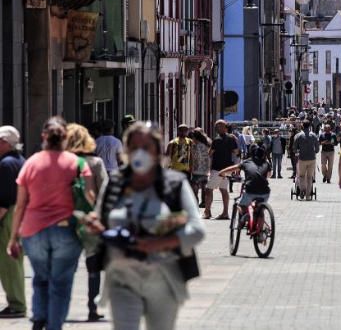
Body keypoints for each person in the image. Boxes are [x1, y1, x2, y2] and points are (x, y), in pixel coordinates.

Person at [85, 121, 205, 330]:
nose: (140, 153)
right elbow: (100, 219)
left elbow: (196, 229)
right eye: (134, 148)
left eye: (146, 147)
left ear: (158, 151)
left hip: (164, 279)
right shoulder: (115, 183)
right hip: (122, 279)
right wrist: (95, 226)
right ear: (126, 151)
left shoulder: (174, 183)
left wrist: (159, 243)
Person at [7, 117, 95, 330]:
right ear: (66, 137)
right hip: (67, 230)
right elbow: (90, 197)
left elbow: (20, 205)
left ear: (43, 137)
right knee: (61, 283)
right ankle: (54, 326)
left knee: (40, 278)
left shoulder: (31, 163)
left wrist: (13, 238)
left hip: (33, 230)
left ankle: (39, 317)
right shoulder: (78, 164)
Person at [64, 123, 109, 322]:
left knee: (65, 267)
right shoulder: (96, 163)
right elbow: (104, 193)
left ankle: (60, 306)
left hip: (65, 220)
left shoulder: (61, 162)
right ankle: (93, 307)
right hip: (90, 220)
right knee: (93, 266)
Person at [0, 126, 26, 319]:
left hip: (8, 214)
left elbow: (5, 197)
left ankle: (16, 304)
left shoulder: (6, 164)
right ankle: (17, 302)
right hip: (21, 213)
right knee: (14, 262)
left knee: (9, 262)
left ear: (5, 143)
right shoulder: (20, 160)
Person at [218, 145, 271, 224]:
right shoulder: (266, 163)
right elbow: (269, 175)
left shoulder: (246, 162)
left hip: (250, 190)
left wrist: (222, 172)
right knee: (260, 209)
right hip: (265, 191)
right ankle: (260, 232)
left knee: (241, 205)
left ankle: (247, 216)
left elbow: (233, 168)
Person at [206, 120, 239, 220]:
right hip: (227, 169)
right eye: (217, 127)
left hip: (217, 169)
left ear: (225, 127)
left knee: (208, 189)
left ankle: (207, 212)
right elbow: (236, 152)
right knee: (224, 190)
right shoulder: (232, 138)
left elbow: (210, 153)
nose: (218, 128)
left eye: (219, 127)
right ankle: (225, 213)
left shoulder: (216, 140)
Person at [293, 120, 320, 199]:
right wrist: (315, 151)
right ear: (310, 126)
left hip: (302, 158)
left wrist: (297, 151)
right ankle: (308, 195)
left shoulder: (298, 136)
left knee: (301, 176)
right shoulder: (314, 135)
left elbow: (294, 148)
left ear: (302, 125)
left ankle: (302, 190)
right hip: (312, 158)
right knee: (309, 177)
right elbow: (317, 148)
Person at [189, 128, 211, 208]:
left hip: (197, 168)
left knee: (194, 185)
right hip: (205, 168)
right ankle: (204, 202)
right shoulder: (207, 143)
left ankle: (196, 201)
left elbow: (196, 157)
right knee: (204, 185)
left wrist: (192, 167)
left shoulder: (196, 145)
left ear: (195, 137)